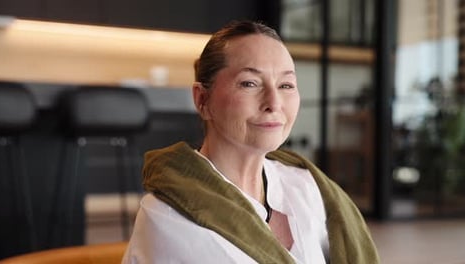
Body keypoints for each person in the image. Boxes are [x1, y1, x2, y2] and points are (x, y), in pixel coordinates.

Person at [122, 20, 379, 264]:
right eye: (250, 83)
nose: (274, 103)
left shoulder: (307, 186)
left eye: (286, 85)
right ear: (202, 100)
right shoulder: (168, 216)